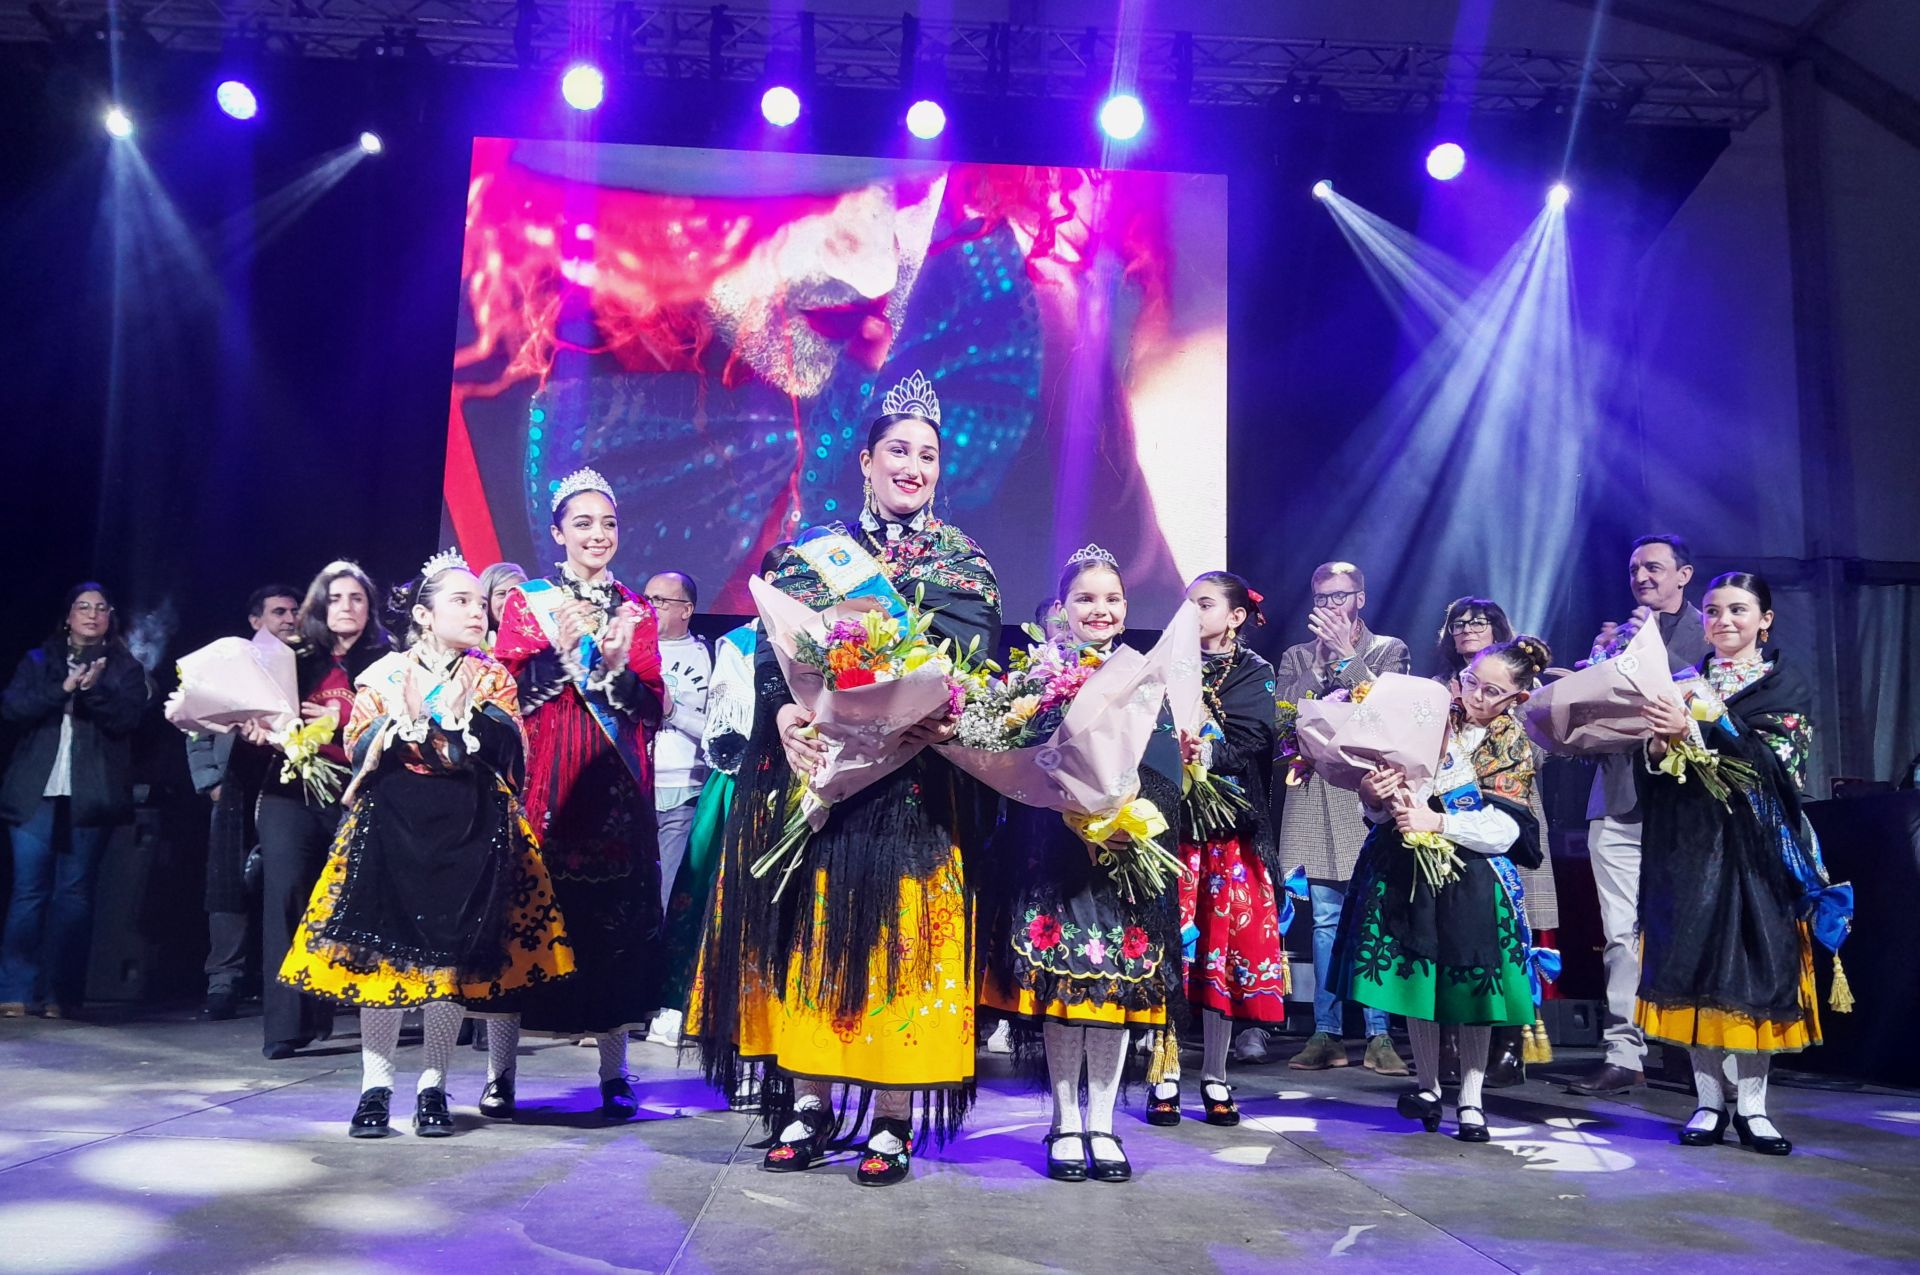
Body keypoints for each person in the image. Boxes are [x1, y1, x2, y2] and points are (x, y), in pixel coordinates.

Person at [688, 370, 1001, 1187]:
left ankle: (893, 1117)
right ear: (866, 460)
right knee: (815, 938)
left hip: (916, 792)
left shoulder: (964, 563)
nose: (912, 466)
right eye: (897, 450)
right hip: (827, 784)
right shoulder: (814, 555)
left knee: (904, 944)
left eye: (926, 454)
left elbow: (978, 670)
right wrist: (784, 717)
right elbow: (773, 658)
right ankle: (809, 1102)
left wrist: (949, 715)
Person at [279, 552, 573, 1138]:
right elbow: (358, 746)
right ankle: (375, 1087)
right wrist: (400, 725)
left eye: (481, 602)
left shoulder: (491, 676)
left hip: (468, 829)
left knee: (448, 967)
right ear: (423, 614)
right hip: (394, 826)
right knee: (382, 961)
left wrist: (470, 722)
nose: (477, 611)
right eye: (461, 601)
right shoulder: (384, 675)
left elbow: (512, 750)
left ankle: (433, 1086)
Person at [979, 546, 1182, 1182]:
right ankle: (1066, 1120)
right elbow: (1018, 766)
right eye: (1086, 598)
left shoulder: (1146, 677)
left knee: (1114, 994)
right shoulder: (1038, 680)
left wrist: (1129, 820)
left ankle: (1103, 1122)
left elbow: (1167, 770)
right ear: (1062, 609)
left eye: (1112, 598)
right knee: (1066, 994)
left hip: (1123, 857)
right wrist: (1069, 808)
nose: (1101, 609)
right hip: (1054, 855)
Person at [487, 469, 667, 1121]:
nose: (598, 534)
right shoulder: (527, 603)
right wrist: (559, 654)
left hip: (612, 790)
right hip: (544, 786)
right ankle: (500, 1074)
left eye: (608, 523)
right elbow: (505, 696)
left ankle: (615, 1074)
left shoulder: (636, 610)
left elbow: (653, 707)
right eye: (583, 523)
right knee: (524, 926)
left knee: (612, 934)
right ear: (558, 532)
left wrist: (615, 669)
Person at [1635, 573, 1833, 1156]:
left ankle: (1754, 1107)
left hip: (1756, 851)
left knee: (1754, 971)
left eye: (1738, 610)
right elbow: (1658, 772)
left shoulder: (1784, 683)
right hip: (1690, 848)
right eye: (1714, 611)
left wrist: (1706, 725)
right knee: (1694, 967)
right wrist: (1658, 746)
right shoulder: (1679, 683)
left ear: (1764, 620)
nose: (1723, 620)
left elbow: (1775, 770)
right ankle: (1707, 1101)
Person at [1330, 636, 1555, 1142]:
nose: (1475, 695)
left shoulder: (1512, 744)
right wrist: (1373, 796)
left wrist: (1439, 822)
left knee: (1470, 989)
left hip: (1474, 879)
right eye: (1471, 682)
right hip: (1410, 869)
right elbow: (1385, 800)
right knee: (1420, 980)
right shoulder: (1431, 718)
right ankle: (1428, 1087)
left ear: (1517, 698)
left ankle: (1471, 1101)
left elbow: (1507, 829)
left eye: (1491, 691)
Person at [1568, 534, 1712, 1097]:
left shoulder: (1709, 630)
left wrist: (1645, 649)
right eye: (1634, 570)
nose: (1642, 577)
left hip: (1686, 804)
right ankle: (1624, 1054)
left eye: (1653, 567)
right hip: (1616, 798)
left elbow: (1706, 698)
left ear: (1684, 574)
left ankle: (1691, 1050)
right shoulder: (1617, 638)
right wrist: (1591, 675)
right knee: (1620, 934)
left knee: (1688, 927)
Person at [1147, 571, 1287, 1129]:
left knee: (1221, 958)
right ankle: (1164, 1074)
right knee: (1170, 954)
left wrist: (1203, 749)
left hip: (1229, 834)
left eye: (1204, 604)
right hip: (1172, 827)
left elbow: (1256, 742)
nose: (1192, 612)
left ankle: (1216, 1074)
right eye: (1187, 603)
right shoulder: (1163, 662)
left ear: (1235, 617)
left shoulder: (1254, 671)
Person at [247, 562, 391, 1059]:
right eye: (335, 598)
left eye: (356, 598)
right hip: (290, 791)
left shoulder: (387, 659)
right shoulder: (291, 658)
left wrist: (342, 718)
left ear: (369, 607)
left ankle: (335, 1006)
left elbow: (398, 724)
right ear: (318, 606)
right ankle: (285, 1027)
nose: (345, 607)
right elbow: (265, 716)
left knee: (342, 903)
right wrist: (256, 730)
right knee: (285, 893)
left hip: (356, 791)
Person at [1275, 561, 1412, 1074]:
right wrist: (1318, 666)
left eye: (1340, 596)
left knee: (1374, 915)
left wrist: (1349, 658)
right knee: (1325, 920)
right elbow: (1282, 716)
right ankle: (1326, 1033)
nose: (1330, 606)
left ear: (1360, 598)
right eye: (1322, 598)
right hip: (1313, 796)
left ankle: (1380, 1035)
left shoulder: (1390, 650)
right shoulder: (1296, 656)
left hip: (1368, 795)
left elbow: (1390, 714)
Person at [0, 584, 151, 1018]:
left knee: (75, 894)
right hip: (35, 793)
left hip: (91, 794)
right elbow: (13, 709)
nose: (92, 614)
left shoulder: (125, 667)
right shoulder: (38, 659)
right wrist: (63, 687)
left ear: (110, 617)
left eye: (101, 608)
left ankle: (61, 995)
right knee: (29, 891)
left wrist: (92, 691)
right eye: (83, 607)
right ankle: (16, 989)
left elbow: (127, 720)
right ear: (68, 616)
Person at [1432, 596, 1559, 1086]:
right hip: (1442, 836)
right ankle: (1446, 1044)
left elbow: (1538, 761)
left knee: (1505, 940)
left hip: (1504, 826)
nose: (1478, 696)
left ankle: (1510, 1042)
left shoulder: (1519, 717)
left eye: (1478, 622)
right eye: (1457, 622)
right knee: (1448, 941)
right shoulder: (1443, 700)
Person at [186, 583, 300, 1020]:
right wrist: (210, 782)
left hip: (288, 787)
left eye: (293, 611)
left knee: (285, 885)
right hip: (235, 785)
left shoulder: (304, 664)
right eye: (278, 612)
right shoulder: (230, 666)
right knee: (228, 885)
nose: (289, 619)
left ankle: (285, 982)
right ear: (256, 620)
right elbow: (195, 724)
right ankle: (224, 979)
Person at [645, 569, 710, 1048]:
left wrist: (671, 709)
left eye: (661, 601)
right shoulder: (632, 650)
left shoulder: (708, 657)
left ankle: (666, 1004)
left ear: (686, 609)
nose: (650, 608)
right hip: (634, 790)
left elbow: (718, 728)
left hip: (683, 790)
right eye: (646, 598)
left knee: (669, 900)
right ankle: (620, 1008)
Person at [477, 561, 528, 648]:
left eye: (518, 594)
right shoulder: (472, 645)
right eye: (501, 594)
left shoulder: (544, 638)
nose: (510, 601)